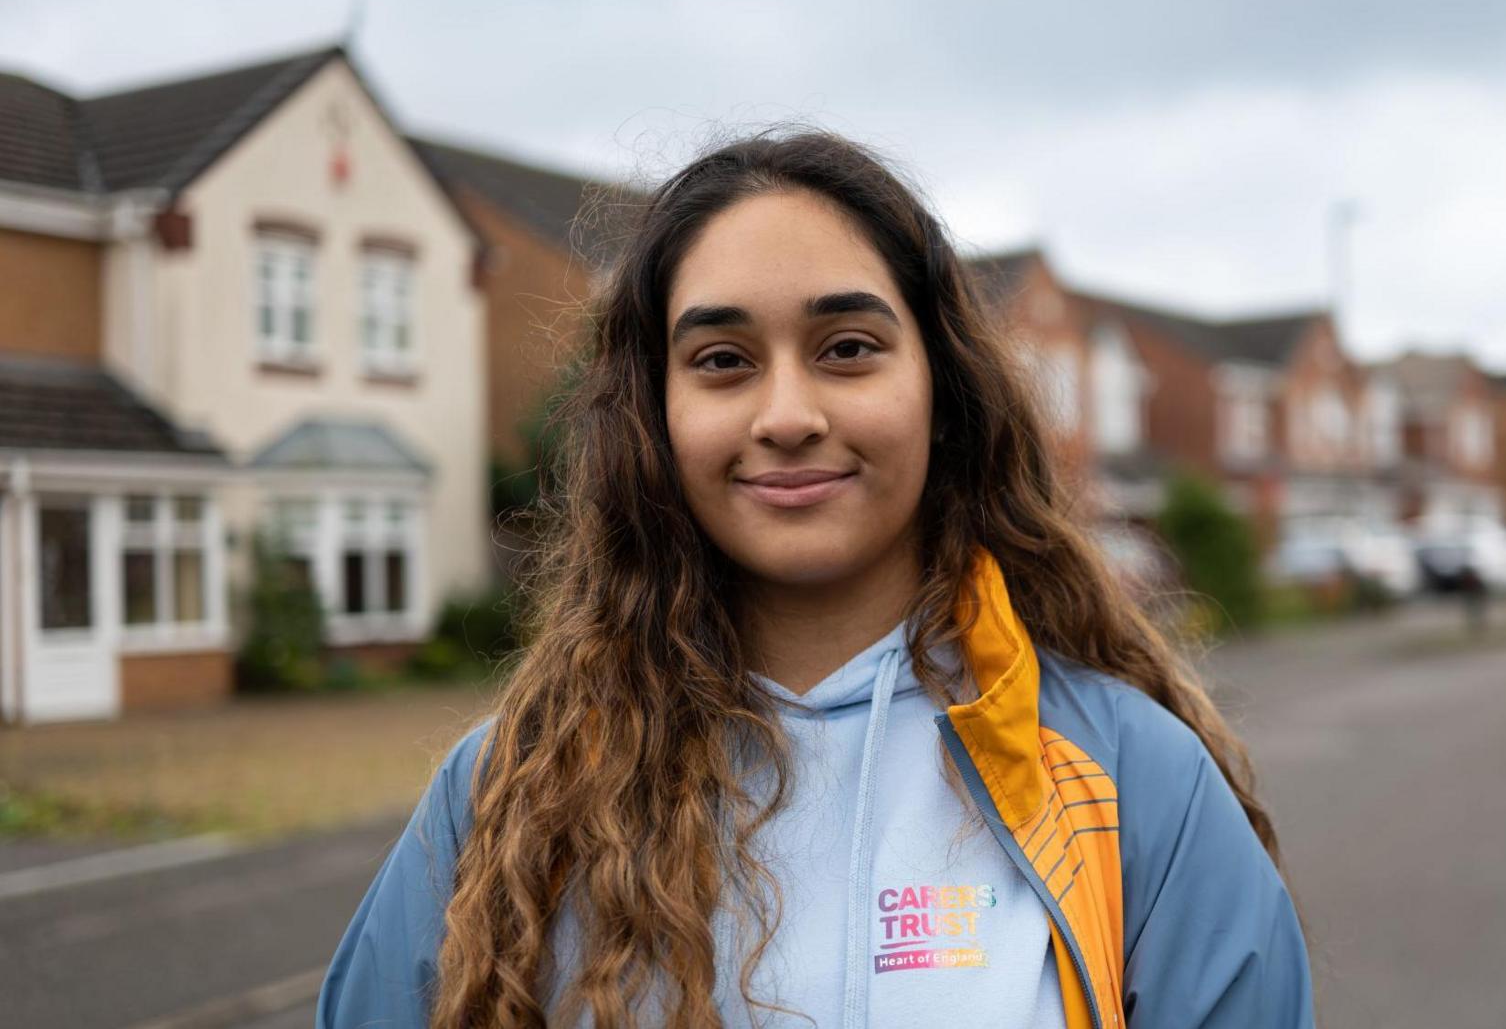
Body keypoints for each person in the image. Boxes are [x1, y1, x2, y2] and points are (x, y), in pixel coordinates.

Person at [315, 129, 1314, 1028]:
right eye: (720, 358)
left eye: (847, 348)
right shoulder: (509, 790)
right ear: (653, 418)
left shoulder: (1130, 779)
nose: (785, 413)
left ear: (941, 393)